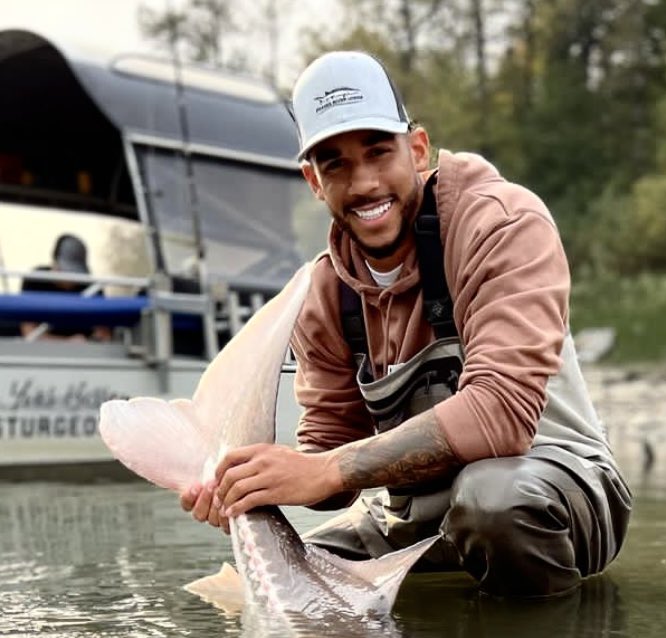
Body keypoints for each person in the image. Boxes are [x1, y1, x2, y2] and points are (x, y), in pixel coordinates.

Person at [183, 50, 631, 598]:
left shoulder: (502, 224)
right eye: (335, 165)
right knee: (280, 581)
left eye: (378, 152)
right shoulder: (323, 292)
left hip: (553, 493)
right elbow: (328, 463)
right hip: (411, 518)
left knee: (492, 502)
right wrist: (249, 488)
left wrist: (327, 470)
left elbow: (502, 415)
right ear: (314, 181)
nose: (365, 183)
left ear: (417, 150)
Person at [20, 233, 108, 341]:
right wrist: (68, 342)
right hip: (42, 350)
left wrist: (90, 341)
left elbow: (104, 334)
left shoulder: (93, 288)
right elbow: (28, 332)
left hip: (87, 349)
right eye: (66, 270)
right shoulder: (36, 280)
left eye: (76, 272)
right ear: (54, 264)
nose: (71, 278)